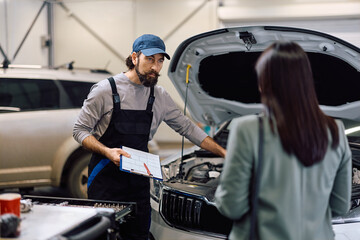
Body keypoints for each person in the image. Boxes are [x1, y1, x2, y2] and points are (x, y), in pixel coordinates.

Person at [73, 34, 226, 240]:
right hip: (105, 180)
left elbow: (188, 128)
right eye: (150, 59)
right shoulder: (105, 90)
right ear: (134, 57)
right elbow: (80, 130)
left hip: (138, 183)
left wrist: (224, 152)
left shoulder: (159, 96)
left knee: (139, 235)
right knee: (105, 235)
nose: (156, 66)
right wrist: (108, 152)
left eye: (160, 60)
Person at [215, 41, 351, 240]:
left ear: (264, 83)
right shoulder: (335, 130)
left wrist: (221, 192)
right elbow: (340, 205)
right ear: (306, 82)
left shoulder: (247, 129)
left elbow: (232, 206)